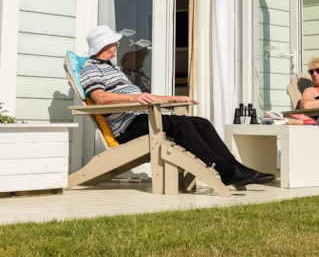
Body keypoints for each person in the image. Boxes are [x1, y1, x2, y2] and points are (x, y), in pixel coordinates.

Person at [80, 25, 275, 188]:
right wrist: (134, 98)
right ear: (104, 45)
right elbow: (100, 98)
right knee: (180, 124)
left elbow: (145, 97)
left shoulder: (113, 69)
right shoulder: (91, 68)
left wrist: (174, 98)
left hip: (141, 117)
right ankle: (223, 169)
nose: (117, 44)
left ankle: (235, 169)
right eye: (114, 41)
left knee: (201, 123)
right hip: (127, 127)